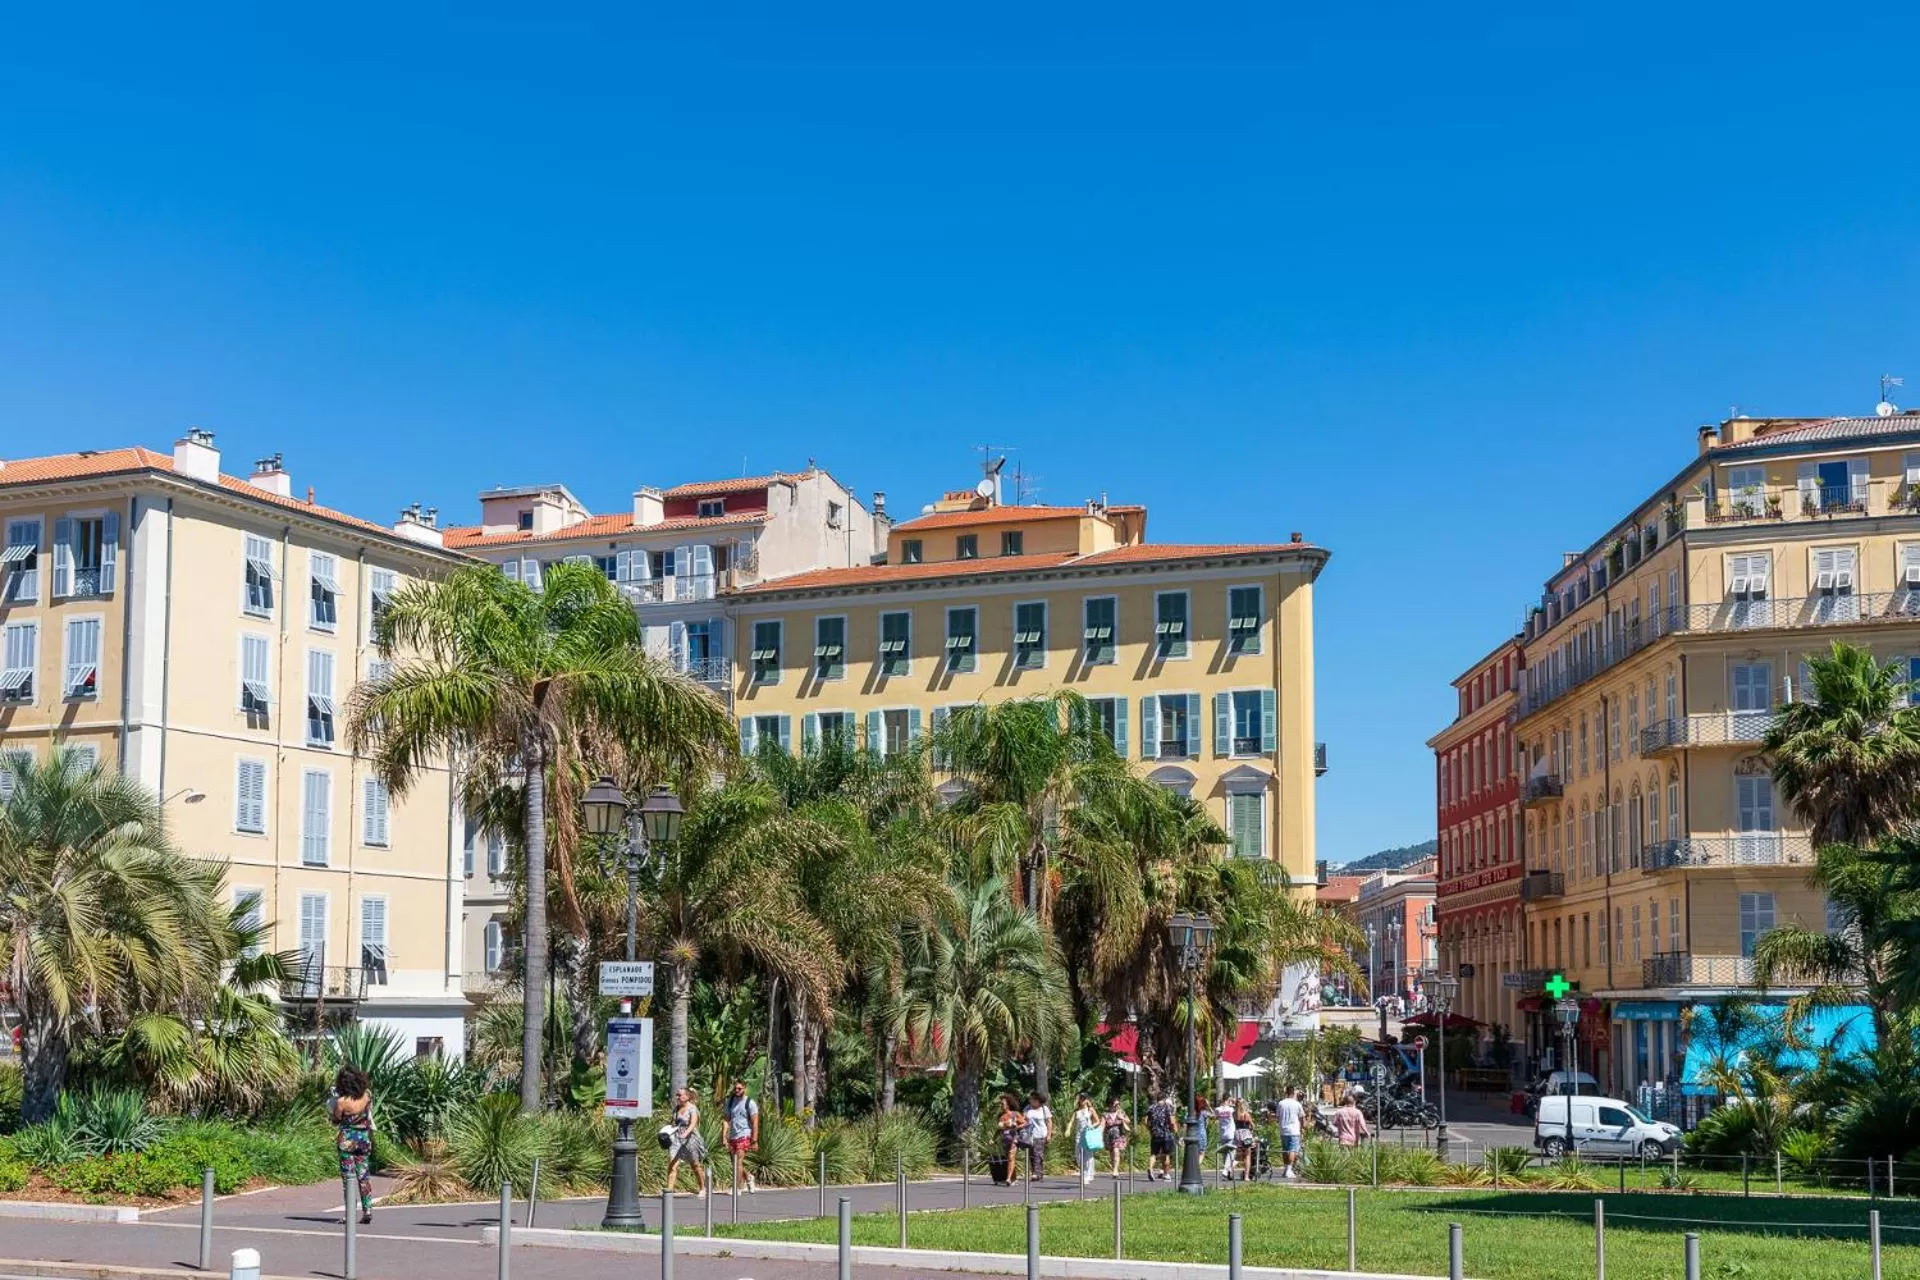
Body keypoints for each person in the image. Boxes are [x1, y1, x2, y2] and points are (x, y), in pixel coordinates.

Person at [327, 1066, 376, 1225]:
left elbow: (336, 1120)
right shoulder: (366, 1096)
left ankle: (350, 1214)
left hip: (347, 1140)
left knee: (348, 1178)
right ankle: (367, 1209)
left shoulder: (341, 1102)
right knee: (364, 1175)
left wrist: (332, 1112)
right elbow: (369, 1114)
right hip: (364, 1139)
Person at [664, 1087, 709, 1197]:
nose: (677, 1097)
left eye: (679, 1095)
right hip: (677, 1139)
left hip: (690, 1139)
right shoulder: (676, 1108)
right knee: (672, 1164)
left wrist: (686, 1133)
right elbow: (673, 1123)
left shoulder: (692, 1108)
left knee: (695, 1165)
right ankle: (669, 1190)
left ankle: (703, 1188)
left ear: (687, 1096)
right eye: (677, 1095)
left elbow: (693, 1123)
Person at [722, 1080, 760, 1194]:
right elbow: (726, 1120)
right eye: (735, 1089)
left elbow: (755, 1122)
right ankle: (748, 1177)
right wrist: (724, 1136)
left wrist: (754, 1140)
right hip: (733, 1135)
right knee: (735, 1163)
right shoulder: (730, 1102)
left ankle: (738, 1187)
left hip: (744, 1134)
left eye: (739, 1088)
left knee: (738, 1161)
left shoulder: (750, 1103)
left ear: (744, 1088)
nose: (737, 1091)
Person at [1145, 1088, 1177, 1181]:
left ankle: (1150, 1168)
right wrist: (1174, 1130)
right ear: (1164, 1098)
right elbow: (1172, 1121)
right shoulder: (1168, 1107)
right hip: (1166, 1134)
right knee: (1166, 1154)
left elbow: (1145, 1121)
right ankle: (1166, 1174)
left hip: (1155, 1134)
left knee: (1153, 1154)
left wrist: (1150, 1129)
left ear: (1157, 1098)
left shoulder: (1151, 1107)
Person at [1275, 1087, 1306, 1180]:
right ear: (1294, 1093)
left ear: (1286, 1092)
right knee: (1293, 1150)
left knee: (1285, 1150)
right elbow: (1302, 1117)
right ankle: (1289, 1169)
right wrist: (1303, 1127)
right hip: (1294, 1130)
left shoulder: (1281, 1103)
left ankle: (1286, 1168)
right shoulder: (1297, 1104)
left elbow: (1278, 1116)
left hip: (1283, 1129)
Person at [1070, 1094, 1102, 1186]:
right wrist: (1068, 1128)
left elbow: (1097, 1121)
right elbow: (1071, 1121)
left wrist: (1091, 1126)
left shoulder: (1090, 1110)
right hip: (1079, 1135)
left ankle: (1087, 1175)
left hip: (1088, 1134)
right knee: (1078, 1155)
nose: (1082, 1101)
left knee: (1088, 1155)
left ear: (1087, 1100)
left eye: (1084, 1099)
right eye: (1081, 1099)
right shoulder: (1077, 1111)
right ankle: (1083, 1170)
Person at [994, 1094, 1025, 1185]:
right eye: (1000, 1104)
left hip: (1014, 1138)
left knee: (1011, 1157)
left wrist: (1016, 1126)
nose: (1001, 1106)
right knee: (1009, 1158)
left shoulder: (1015, 1114)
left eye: (1003, 1104)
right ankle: (1013, 1178)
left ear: (1008, 1105)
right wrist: (993, 1139)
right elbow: (998, 1130)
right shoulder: (1002, 1117)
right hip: (1005, 1140)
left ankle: (1008, 1179)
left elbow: (1025, 1123)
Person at [1022, 1091, 1053, 1182]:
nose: (1030, 1100)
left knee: (1037, 1154)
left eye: (1032, 1099)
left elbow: (1049, 1122)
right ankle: (1038, 1173)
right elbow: (1023, 1119)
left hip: (1040, 1134)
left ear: (1037, 1100)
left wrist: (1049, 1135)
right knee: (1031, 1154)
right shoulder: (1027, 1108)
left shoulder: (1044, 1109)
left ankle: (1036, 1173)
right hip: (1029, 1135)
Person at [1102, 1097, 1131, 1175]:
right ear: (1110, 1105)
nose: (1118, 1106)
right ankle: (1114, 1167)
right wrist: (1098, 1134)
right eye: (1116, 1104)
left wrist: (1122, 1118)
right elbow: (1102, 1125)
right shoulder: (1105, 1114)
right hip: (1109, 1136)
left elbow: (1128, 1121)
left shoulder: (1121, 1112)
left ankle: (1115, 1170)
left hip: (1119, 1135)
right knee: (1112, 1153)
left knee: (1116, 1151)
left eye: (1118, 1104)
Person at [1233, 1097, 1258, 1181]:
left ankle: (1229, 1169)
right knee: (1247, 1156)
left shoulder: (1234, 1114)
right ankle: (1246, 1176)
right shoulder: (1246, 1114)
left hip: (1237, 1135)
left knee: (1238, 1155)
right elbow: (1253, 1125)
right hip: (1246, 1136)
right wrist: (1252, 1129)